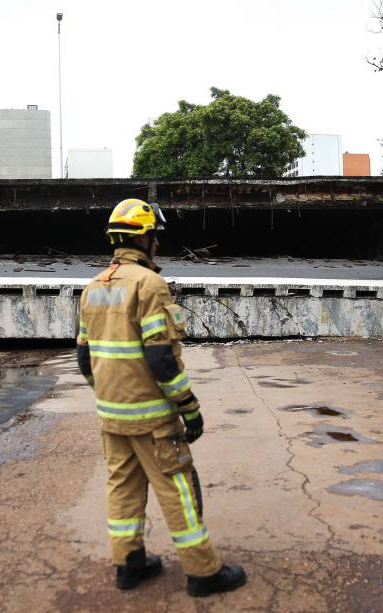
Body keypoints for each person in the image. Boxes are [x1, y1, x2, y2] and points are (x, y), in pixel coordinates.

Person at [76, 198, 246, 598]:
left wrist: (108, 393)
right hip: (153, 420)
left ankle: (129, 564)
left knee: (122, 487)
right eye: (157, 238)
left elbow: (84, 357)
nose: (159, 246)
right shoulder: (149, 285)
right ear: (146, 238)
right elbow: (160, 358)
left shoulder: (93, 288)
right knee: (178, 488)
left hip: (111, 417)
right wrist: (189, 407)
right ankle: (204, 572)